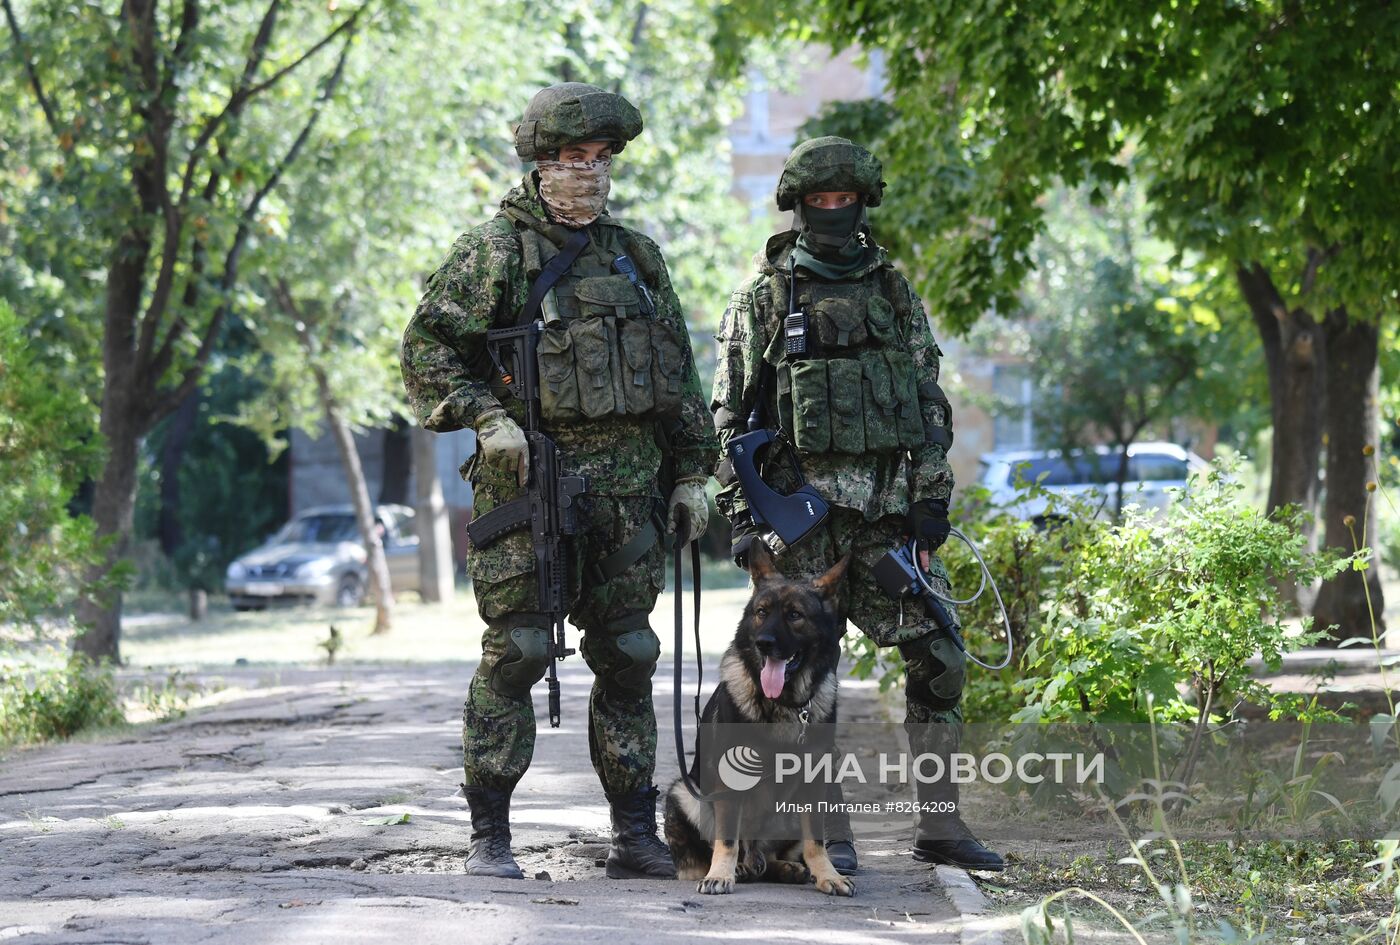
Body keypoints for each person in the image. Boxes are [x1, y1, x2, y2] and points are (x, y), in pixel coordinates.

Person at [400, 83, 716, 880]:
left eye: (602, 159)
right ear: (541, 164)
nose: (590, 173)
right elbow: (429, 350)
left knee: (629, 653)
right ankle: (491, 835)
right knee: (518, 651)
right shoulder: (495, 251)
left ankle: (634, 834)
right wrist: (487, 418)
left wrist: (693, 474)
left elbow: (677, 374)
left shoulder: (637, 257)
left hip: (628, 495)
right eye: (574, 159)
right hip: (529, 487)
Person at [710, 136, 1003, 872]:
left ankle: (939, 824)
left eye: (846, 200)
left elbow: (929, 404)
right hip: (797, 531)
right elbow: (725, 420)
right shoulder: (764, 297)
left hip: (882, 523)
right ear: (801, 206)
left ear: (863, 203)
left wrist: (930, 503)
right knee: (797, 683)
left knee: (940, 654)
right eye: (821, 201)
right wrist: (745, 525)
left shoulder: (893, 292)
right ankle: (826, 831)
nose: (834, 212)